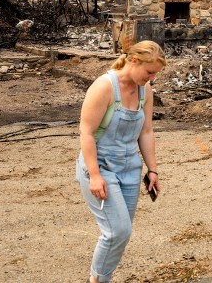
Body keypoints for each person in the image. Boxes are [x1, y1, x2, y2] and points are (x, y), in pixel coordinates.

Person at [76, 40, 166, 283]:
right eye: (149, 72)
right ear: (133, 60)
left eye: (155, 74)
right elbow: (86, 133)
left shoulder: (145, 91)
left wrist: (153, 170)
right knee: (117, 231)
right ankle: (97, 281)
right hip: (101, 166)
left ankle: (101, 278)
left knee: (121, 234)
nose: (151, 78)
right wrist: (94, 175)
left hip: (129, 169)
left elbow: (146, 132)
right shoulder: (104, 87)